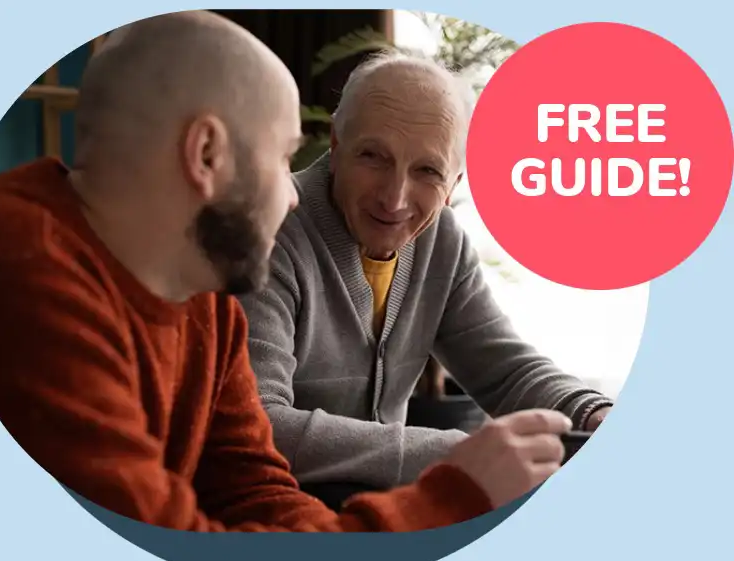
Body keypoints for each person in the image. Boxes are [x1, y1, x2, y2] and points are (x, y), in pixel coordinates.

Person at [0, 11, 573, 533]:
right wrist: (453, 491)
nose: (297, 194)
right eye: (282, 157)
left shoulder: (204, 293)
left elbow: (259, 496)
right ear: (206, 154)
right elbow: (170, 551)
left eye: (428, 172)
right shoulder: (16, 259)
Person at [238, 51, 614, 494]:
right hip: (275, 513)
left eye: (427, 171)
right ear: (337, 146)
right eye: (373, 157)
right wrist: (462, 456)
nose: (395, 199)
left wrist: (592, 413)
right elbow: (259, 425)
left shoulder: (442, 241)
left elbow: (506, 370)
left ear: (455, 184)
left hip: (388, 513)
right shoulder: (269, 232)